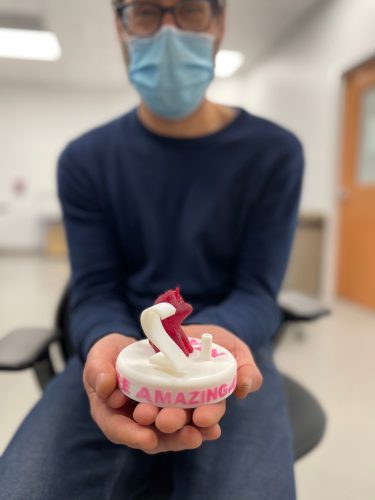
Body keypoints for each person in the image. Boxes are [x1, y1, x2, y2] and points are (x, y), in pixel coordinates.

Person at [0, 0, 304, 498]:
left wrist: (220, 344)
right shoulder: (85, 160)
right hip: (120, 351)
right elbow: (94, 290)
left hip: (226, 351)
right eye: (145, 12)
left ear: (220, 22)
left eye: (187, 9)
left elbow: (257, 290)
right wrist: (105, 348)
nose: (167, 30)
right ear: (120, 27)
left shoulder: (274, 154)